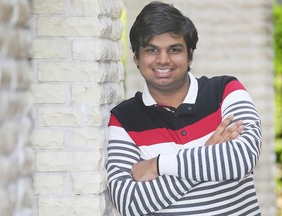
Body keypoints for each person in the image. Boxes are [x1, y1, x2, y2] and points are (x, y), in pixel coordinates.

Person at [106, 1, 262, 215]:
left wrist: (158, 165)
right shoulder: (124, 119)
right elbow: (129, 202)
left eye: (174, 49)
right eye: (152, 49)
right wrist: (208, 153)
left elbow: (241, 159)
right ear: (136, 58)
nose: (163, 60)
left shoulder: (225, 91)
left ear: (189, 55)